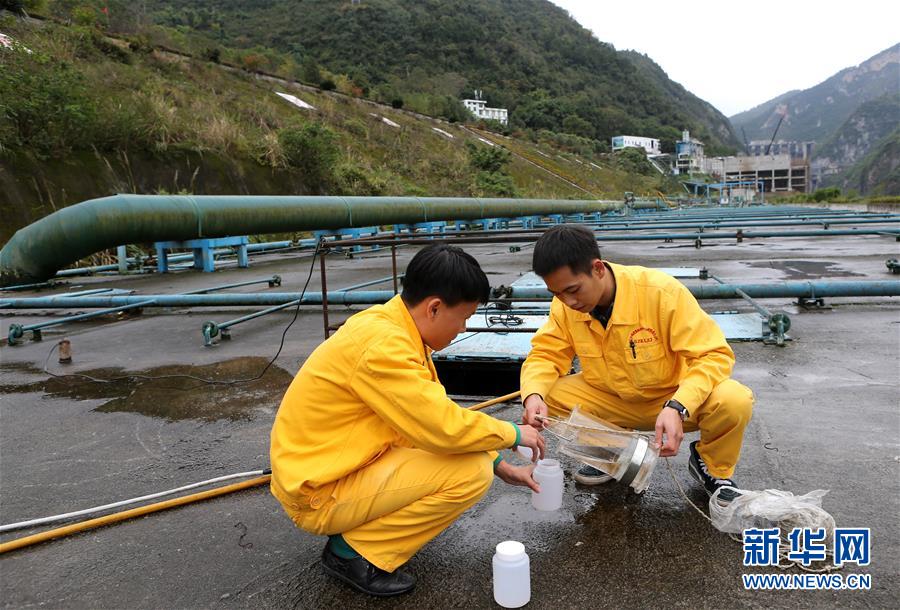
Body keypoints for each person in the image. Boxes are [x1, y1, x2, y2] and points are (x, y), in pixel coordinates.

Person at [270, 244, 545, 597]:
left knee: (475, 460)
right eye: (463, 317)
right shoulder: (385, 347)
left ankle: (356, 533)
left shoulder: (392, 327)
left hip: (337, 468)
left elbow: (424, 418)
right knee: (468, 474)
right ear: (434, 307)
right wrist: (512, 433)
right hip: (318, 492)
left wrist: (500, 464)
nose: (462, 328)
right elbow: (440, 427)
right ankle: (351, 554)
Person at [520, 225, 753, 502]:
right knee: (549, 397)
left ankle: (711, 466)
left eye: (573, 290)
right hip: (612, 400)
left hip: (671, 400)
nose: (567, 301)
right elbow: (546, 354)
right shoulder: (565, 306)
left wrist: (679, 406)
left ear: (597, 269)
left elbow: (713, 355)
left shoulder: (660, 293)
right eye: (556, 294)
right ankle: (611, 454)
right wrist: (533, 395)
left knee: (733, 399)